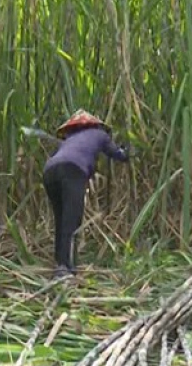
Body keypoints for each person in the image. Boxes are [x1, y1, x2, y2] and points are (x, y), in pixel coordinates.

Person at [42, 110, 129, 278]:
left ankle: (61, 263)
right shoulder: (99, 133)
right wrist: (126, 151)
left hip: (49, 172)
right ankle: (65, 269)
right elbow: (117, 154)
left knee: (61, 219)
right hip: (73, 170)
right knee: (72, 220)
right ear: (95, 124)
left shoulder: (68, 140)